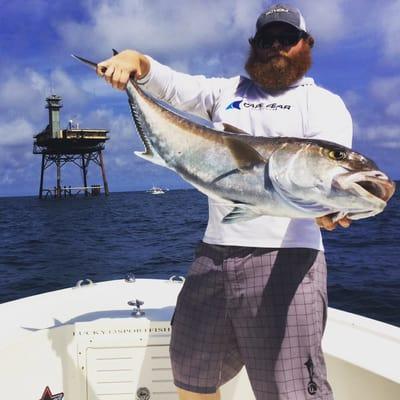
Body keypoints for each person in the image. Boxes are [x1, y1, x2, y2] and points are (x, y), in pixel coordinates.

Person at [97, 4, 352, 399]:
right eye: (268, 39)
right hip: (212, 257)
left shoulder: (324, 104)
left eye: (288, 39)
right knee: (191, 379)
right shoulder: (227, 92)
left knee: (290, 392)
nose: (277, 46)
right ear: (254, 45)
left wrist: (328, 208)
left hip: (288, 262)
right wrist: (138, 62)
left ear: (306, 45)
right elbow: (173, 86)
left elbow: (325, 177)